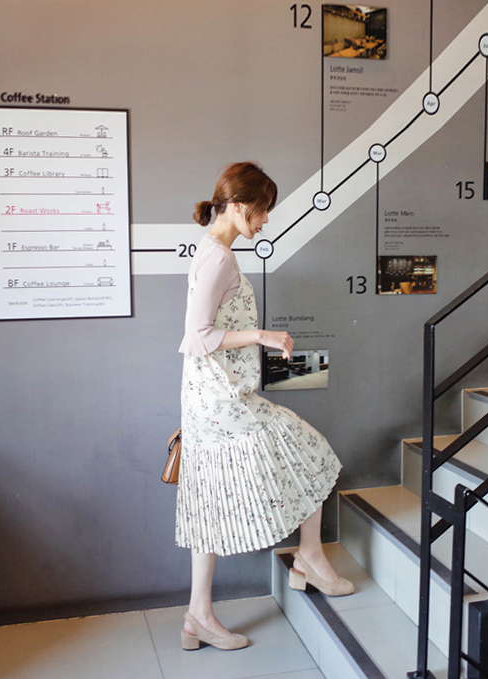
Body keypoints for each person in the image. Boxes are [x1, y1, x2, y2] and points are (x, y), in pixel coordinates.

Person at [177, 162, 353, 652]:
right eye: (262, 209)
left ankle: (198, 615)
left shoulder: (212, 250)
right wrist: (262, 335)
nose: (266, 220)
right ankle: (309, 558)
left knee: (210, 499)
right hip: (222, 400)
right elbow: (197, 336)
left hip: (207, 398)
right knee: (311, 454)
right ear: (238, 206)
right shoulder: (219, 259)